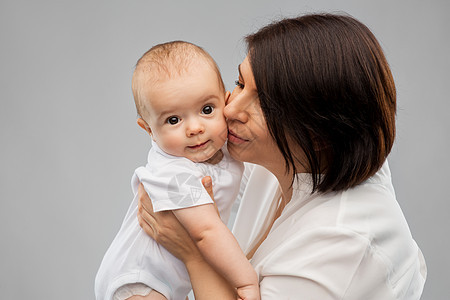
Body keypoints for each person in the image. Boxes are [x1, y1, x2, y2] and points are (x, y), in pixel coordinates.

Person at [136, 13, 427, 299]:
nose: (231, 109)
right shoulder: (289, 158)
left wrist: (193, 254)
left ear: (318, 133)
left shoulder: (341, 242)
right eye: (239, 83)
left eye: (264, 104)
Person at [95, 41, 260, 300]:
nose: (194, 128)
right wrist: (246, 281)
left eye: (207, 109)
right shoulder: (174, 174)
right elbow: (206, 232)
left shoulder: (224, 149)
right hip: (140, 280)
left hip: (171, 279)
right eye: (174, 120)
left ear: (225, 100)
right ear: (148, 129)